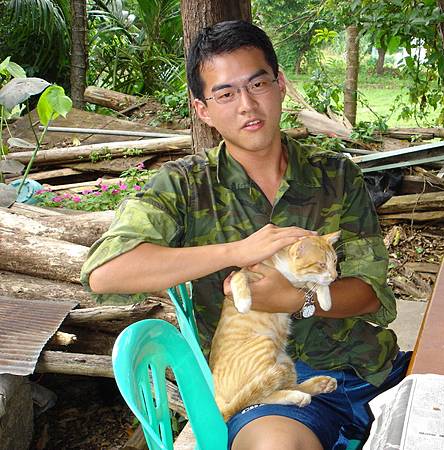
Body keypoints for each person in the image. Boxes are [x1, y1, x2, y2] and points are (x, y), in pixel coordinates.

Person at [81, 20, 411, 450]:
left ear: (280, 85)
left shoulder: (335, 173)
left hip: (370, 366)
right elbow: (105, 273)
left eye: (258, 84)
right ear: (203, 109)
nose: (247, 106)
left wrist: (295, 299)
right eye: (225, 93)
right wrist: (237, 251)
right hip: (274, 384)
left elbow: (370, 294)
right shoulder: (184, 186)